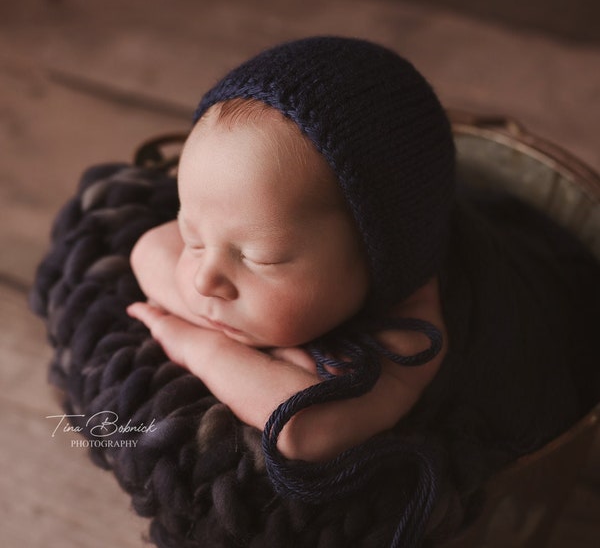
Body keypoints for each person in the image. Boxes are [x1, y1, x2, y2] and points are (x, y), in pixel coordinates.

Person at [126, 36, 599, 544]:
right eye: (193, 237)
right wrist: (268, 340)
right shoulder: (246, 222)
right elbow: (147, 249)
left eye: (259, 258)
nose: (202, 279)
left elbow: (304, 429)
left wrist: (201, 344)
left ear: (376, 263)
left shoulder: (412, 332)